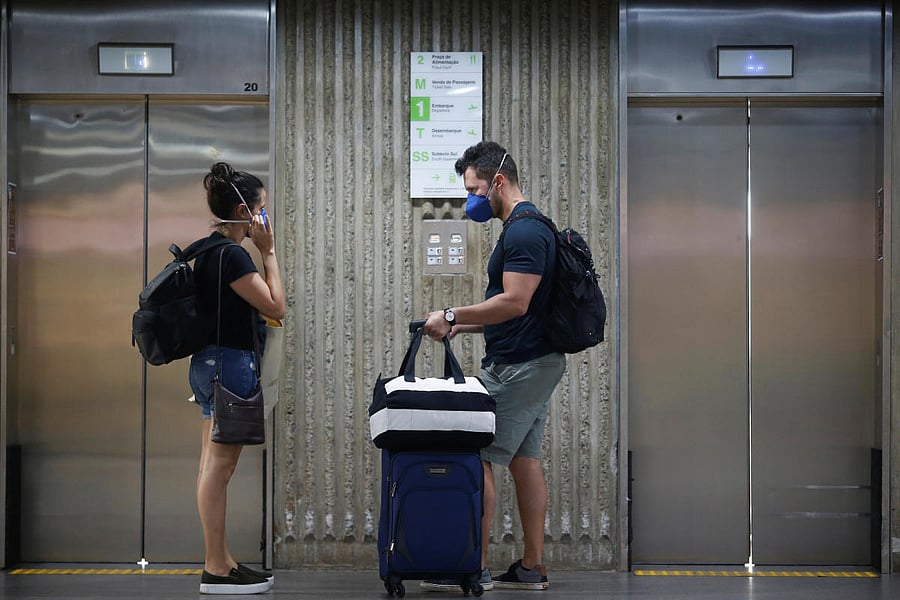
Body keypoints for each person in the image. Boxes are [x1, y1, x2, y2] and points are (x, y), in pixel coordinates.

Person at [420, 141, 565, 592]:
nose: (472, 200)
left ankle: (472, 566)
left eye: (475, 189)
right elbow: (523, 310)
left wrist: (451, 316)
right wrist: (470, 328)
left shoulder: (524, 232)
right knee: (525, 461)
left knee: (474, 452)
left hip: (519, 368)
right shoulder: (531, 226)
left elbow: (515, 302)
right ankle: (531, 568)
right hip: (533, 360)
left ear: (498, 182)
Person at [190, 162, 285, 595]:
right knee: (220, 468)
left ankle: (223, 559)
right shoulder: (232, 255)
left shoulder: (209, 249)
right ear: (245, 211)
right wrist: (268, 252)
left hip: (209, 363)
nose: (265, 218)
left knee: (211, 465)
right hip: (229, 364)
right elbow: (275, 306)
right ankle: (215, 566)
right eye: (262, 209)